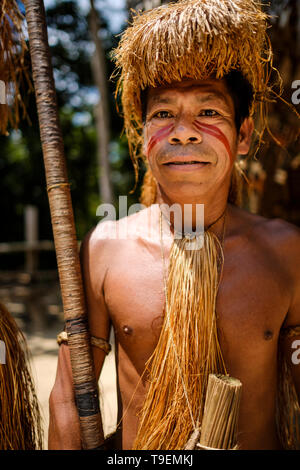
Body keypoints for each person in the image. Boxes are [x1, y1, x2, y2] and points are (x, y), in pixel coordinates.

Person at [48, 0, 300, 450]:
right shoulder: (105, 248)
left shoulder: (286, 251)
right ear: (143, 136)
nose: (184, 132)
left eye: (208, 113)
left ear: (243, 136)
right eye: (163, 114)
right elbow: (69, 398)